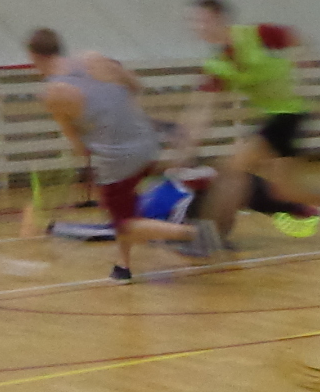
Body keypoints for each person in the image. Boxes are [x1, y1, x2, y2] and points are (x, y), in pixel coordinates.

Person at [175, 0, 320, 250]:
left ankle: (210, 237)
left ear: (219, 19)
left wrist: (304, 68)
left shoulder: (256, 35)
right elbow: (202, 108)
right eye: (193, 22)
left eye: (202, 20)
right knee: (284, 192)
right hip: (272, 118)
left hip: (288, 115)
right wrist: (185, 146)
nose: (197, 26)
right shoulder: (219, 63)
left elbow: (300, 40)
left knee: (231, 168)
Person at [26, 29, 219, 281]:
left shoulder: (53, 93)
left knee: (124, 223)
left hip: (117, 158)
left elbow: (78, 143)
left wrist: (89, 144)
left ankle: (190, 233)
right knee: (125, 207)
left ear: (35, 58)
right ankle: (123, 266)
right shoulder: (92, 58)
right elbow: (135, 85)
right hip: (147, 142)